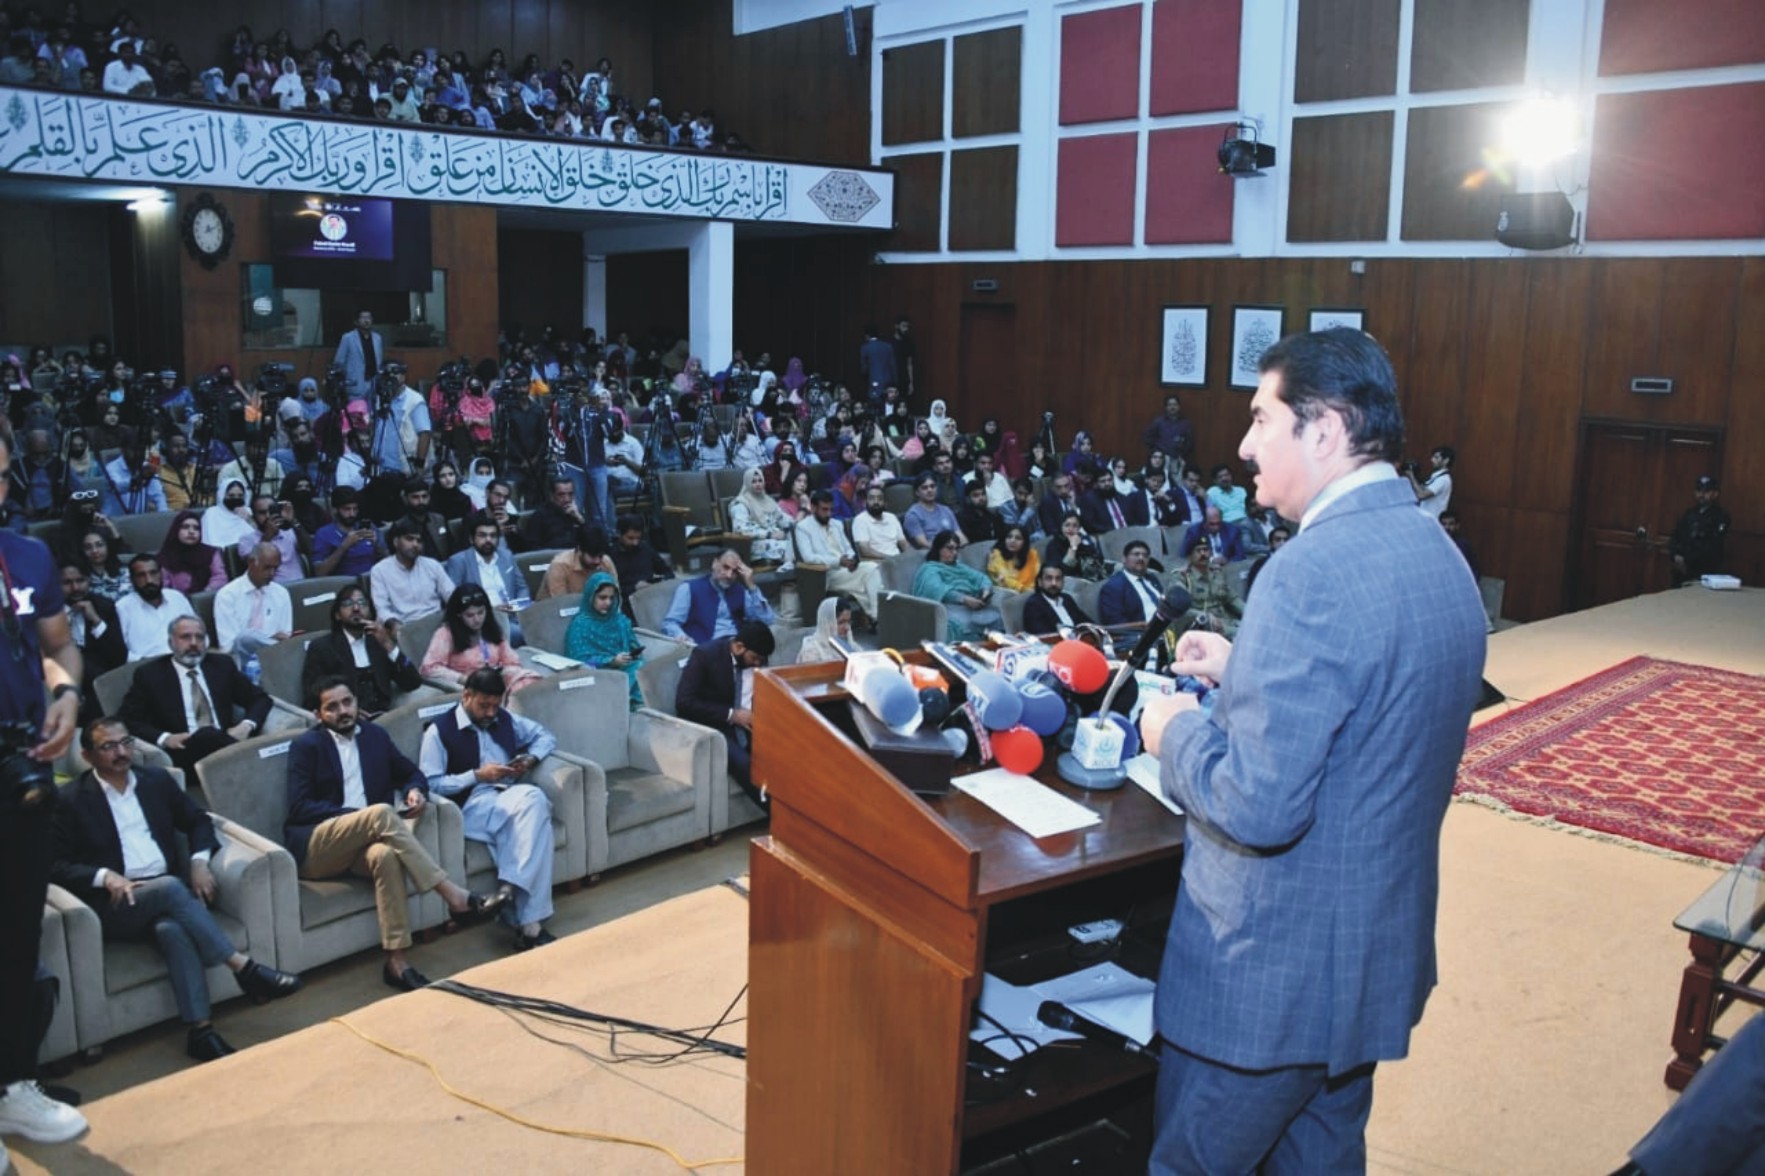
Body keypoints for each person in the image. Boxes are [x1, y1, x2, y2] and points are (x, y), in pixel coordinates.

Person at [1136, 328, 1486, 1173]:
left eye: (1261, 418)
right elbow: (1372, 712)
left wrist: (1170, 731)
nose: (1243, 444)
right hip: (1360, 966)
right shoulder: (1435, 551)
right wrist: (1243, 669)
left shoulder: (1308, 571)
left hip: (1265, 983)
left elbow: (1258, 806)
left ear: (1322, 429)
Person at [50, 718, 303, 1062]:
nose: (121, 752)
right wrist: (104, 876)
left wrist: (199, 861)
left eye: (126, 742)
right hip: (115, 905)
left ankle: (201, 1031)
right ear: (88, 755)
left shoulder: (156, 781)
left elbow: (198, 819)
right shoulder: (70, 799)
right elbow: (55, 864)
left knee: (172, 930)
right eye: (109, 746)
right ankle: (244, 968)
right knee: (170, 887)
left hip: (164, 899)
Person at [286, 678, 507, 992]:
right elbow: (300, 807)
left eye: (347, 702)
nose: (343, 711)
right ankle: (454, 896)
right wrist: (358, 819)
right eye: (332, 707)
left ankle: (397, 962)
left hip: (364, 843)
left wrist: (415, 790)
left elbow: (411, 773)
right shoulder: (306, 746)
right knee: (379, 813)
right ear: (318, 715)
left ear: (356, 702)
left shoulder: (375, 736)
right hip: (317, 847)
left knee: (385, 856)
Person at [0, 430, 89, 1162]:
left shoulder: (25, 554)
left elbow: (59, 647)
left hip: (22, 768)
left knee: (17, 937)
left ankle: (12, 1084)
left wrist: (67, 698)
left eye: (1, 476)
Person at [418, 668, 559, 951]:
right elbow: (430, 784)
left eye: (496, 705)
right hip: (469, 805)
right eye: (484, 706)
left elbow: (545, 736)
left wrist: (530, 758)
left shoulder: (503, 718)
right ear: (466, 696)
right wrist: (477, 775)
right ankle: (522, 910)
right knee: (535, 802)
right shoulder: (438, 731)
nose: (491, 713)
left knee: (534, 815)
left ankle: (517, 910)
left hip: (506, 797)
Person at [118, 614, 272, 775]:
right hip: (185, 751)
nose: (193, 643)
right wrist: (165, 738)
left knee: (212, 736)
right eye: (185, 637)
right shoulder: (150, 675)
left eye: (199, 637)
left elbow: (260, 698)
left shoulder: (221, 666)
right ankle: (249, 765)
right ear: (171, 643)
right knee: (206, 735)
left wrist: (246, 725)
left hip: (225, 742)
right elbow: (127, 719)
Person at [676, 619, 774, 810]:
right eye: (755, 659)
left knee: (784, 753)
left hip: (750, 723)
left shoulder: (757, 660)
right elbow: (684, 702)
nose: (758, 664)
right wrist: (732, 715)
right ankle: (781, 820)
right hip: (715, 725)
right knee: (745, 764)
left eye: (761, 660)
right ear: (738, 647)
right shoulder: (705, 655)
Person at [421, 584, 541, 695]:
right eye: (470, 615)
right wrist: (464, 679)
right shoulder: (446, 634)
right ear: (459, 615)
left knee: (529, 682)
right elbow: (429, 668)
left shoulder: (490, 627)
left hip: (497, 680)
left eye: (480, 612)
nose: (477, 619)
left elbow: (510, 661)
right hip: (470, 687)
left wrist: (505, 672)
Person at [793, 490, 882, 624]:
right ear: (813, 507)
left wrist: (852, 560)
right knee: (871, 571)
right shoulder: (803, 527)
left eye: (831, 509)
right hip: (824, 574)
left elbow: (848, 549)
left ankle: (876, 616)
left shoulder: (837, 524)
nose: (828, 514)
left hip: (846, 570)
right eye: (824, 509)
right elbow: (808, 558)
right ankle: (878, 616)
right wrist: (838, 562)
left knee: (870, 573)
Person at [444, 514, 532, 647]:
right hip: (483, 621)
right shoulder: (459, 561)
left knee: (545, 624)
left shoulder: (506, 556)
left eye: (493, 536)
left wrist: (518, 605)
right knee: (520, 633)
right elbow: (453, 601)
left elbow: (522, 587)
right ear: (471, 539)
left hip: (514, 615)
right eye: (482, 535)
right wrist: (490, 610)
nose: (488, 540)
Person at [564, 572, 645, 708]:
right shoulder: (580, 625)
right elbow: (579, 661)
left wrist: (630, 655)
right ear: (591, 597)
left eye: (611, 598)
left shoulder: (619, 620)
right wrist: (611, 661)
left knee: (641, 667)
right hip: (599, 675)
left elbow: (633, 645)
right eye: (602, 598)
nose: (608, 603)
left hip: (626, 669)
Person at [662, 549, 777, 645]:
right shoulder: (689, 588)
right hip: (705, 649)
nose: (729, 575)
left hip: (737, 646)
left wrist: (751, 586)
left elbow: (766, 621)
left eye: (735, 571)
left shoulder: (740, 590)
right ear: (714, 563)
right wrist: (681, 636)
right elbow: (670, 623)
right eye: (725, 567)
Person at [60, 561, 127, 718]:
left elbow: (119, 657)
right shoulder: (49, 613)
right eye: (67, 583)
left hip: (97, 685)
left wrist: (96, 621)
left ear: (88, 581)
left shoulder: (104, 607)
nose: (75, 588)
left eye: (80, 581)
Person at [212, 543, 293, 667]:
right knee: (245, 638)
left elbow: (285, 638)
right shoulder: (227, 595)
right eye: (267, 568)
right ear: (251, 563)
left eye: (275, 568)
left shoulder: (281, 593)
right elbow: (229, 645)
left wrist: (266, 641)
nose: (272, 573)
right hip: (240, 662)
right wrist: (268, 638)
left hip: (275, 660)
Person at [912, 530, 1001, 642]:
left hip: (973, 606)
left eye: (956, 549)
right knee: (962, 626)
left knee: (997, 618)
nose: (954, 552)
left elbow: (981, 578)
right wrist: (963, 599)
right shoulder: (929, 568)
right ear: (939, 548)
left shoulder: (959, 566)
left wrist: (986, 590)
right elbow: (935, 588)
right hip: (947, 607)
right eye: (950, 548)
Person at [369, 521, 455, 633]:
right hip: (405, 628)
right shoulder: (380, 570)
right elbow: (382, 609)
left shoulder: (432, 565)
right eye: (409, 539)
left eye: (419, 541)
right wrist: (394, 624)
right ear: (396, 542)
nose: (415, 544)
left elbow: (451, 595)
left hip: (437, 624)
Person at [114, 555, 197, 662]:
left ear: (161, 574)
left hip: (185, 660)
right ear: (132, 579)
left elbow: (198, 632)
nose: (149, 580)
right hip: (146, 666)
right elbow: (120, 652)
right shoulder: (122, 608)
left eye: (153, 573)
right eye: (141, 575)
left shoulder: (177, 598)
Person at [310, 486, 385, 578]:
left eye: (355, 509)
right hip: (342, 586)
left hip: (373, 580)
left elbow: (389, 562)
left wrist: (377, 545)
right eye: (347, 509)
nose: (352, 514)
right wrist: (344, 546)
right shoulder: (323, 534)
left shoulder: (369, 528)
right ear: (335, 510)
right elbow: (319, 572)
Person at [1669, 474, 1730, 587]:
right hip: (1681, 570)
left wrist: (1688, 560)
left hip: (1704, 570)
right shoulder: (1689, 514)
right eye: (1699, 490)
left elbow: (1713, 545)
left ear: (1715, 494)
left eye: (1706, 491)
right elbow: (1675, 536)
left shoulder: (1720, 517)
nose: (1701, 495)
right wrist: (1675, 555)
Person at [728, 466, 795, 567]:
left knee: (799, 542)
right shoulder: (740, 504)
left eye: (760, 481)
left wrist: (799, 525)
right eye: (754, 481)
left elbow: (783, 519)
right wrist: (769, 534)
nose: (758, 484)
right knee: (789, 547)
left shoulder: (768, 501)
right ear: (747, 483)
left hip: (776, 538)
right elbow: (740, 530)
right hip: (755, 544)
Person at [1175, 541, 1242, 637]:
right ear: (1190, 556)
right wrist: (1205, 616)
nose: (1203, 554)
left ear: (1210, 553)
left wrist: (1250, 613)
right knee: (1244, 635)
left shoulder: (1217, 573)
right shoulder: (1182, 577)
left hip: (1226, 620)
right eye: (1198, 550)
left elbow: (1233, 599)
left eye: (1205, 550)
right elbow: (1180, 609)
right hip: (1203, 625)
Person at [155, 510, 227, 595]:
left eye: (196, 528)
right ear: (176, 530)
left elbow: (220, 577)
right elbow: (164, 587)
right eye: (185, 527)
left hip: (207, 600)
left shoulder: (211, 553)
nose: (191, 531)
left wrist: (204, 595)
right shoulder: (165, 557)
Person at [1098, 539, 1165, 627]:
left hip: (1166, 628)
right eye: (1136, 554)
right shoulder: (1113, 587)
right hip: (1141, 635)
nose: (1141, 558)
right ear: (1124, 559)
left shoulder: (1152, 579)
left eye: (1145, 555)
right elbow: (1114, 623)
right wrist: (1141, 626)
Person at [609, 515, 672, 606]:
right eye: (630, 538)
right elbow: (609, 588)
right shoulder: (611, 555)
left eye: (638, 538)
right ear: (619, 534)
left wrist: (661, 582)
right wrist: (633, 588)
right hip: (625, 602)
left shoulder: (646, 549)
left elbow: (667, 571)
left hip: (650, 599)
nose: (635, 543)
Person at [1021, 562, 1091, 634]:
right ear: (1040, 582)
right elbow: (1045, 637)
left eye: (1058, 579)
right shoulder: (1033, 605)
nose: (1054, 583)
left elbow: (1088, 624)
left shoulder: (1067, 599)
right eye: (1049, 578)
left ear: (1063, 582)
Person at [332, 310, 386, 404]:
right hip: (355, 384)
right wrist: (349, 377)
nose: (366, 321)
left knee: (372, 415)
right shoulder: (348, 338)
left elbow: (380, 361)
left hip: (373, 384)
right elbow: (339, 362)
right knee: (356, 415)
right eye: (363, 318)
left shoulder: (377, 338)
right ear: (356, 321)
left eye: (369, 318)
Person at [521, 476, 588, 552]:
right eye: (561, 495)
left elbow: (595, 542)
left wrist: (580, 520)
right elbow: (532, 549)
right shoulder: (539, 516)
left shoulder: (576, 515)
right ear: (551, 495)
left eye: (570, 494)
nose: (567, 499)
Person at [1045, 512, 1108, 583]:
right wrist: (1073, 547)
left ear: (1079, 528)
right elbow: (1063, 572)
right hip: (1071, 582)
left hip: (1092, 578)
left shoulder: (1083, 540)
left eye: (1075, 526)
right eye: (1067, 525)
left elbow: (1097, 562)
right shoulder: (1053, 545)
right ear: (1061, 526)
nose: (1071, 529)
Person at [852, 483, 907, 560]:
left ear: (885, 503)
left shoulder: (891, 517)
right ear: (865, 502)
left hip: (897, 560)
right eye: (872, 498)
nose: (876, 502)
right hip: (876, 562)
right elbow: (865, 551)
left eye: (880, 499)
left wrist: (911, 556)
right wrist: (890, 558)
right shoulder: (860, 520)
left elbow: (904, 544)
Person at [1179, 505, 1248, 563]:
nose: (1216, 527)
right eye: (1212, 524)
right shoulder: (1194, 532)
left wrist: (1227, 560)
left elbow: (1240, 555)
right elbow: (1184, 555)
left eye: (1218, 523)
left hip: (1228, 568)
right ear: (1204, 522)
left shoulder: (1232, 530)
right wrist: (1210, 560)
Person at [797, 595, 854, 664]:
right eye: (841, 622)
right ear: (827, 623)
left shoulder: (849, 644)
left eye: (849, 622)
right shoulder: (811, 651)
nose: (847, 627)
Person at [1143, 394, 1195, 467]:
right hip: (1161, 459)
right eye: (1169, 405)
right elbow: (1148, 438)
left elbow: (1190, 442)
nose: (1172, 407)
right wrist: (1157, 451)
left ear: (1179, 406)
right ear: (1166, 407)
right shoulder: (1158, 422)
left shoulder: (1185, 424)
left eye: (1175, 404)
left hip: (1178, 458)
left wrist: (1182, 454)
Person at [985, 525, 1040, 594]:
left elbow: (1038, 574)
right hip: (1009, 593)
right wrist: (1025, 590)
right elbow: (1005, 579)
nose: (1012, 541)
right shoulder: (996, 555)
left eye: (1018, 538)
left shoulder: (1031, 554)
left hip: (1031, 590)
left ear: (1024, 542)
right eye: (1009, 537)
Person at [1405, 445, 1454, 520]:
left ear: (1446, 460)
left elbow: (1421, 495)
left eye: (1436, 458)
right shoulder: (1436, 476)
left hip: (1433, 519)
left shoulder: (1443, 479)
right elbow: (1422, 489)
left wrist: (1411, 476)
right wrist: (1415, 475)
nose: (1432, 460)